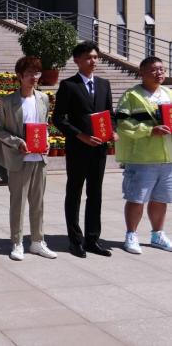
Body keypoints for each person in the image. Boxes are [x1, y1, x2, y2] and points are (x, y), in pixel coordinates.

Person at [53, 41, 115, 258]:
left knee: (95, 194)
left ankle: (92, 239)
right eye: (88, 57)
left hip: (99, 149)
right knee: (74, 193)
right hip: (78, 149)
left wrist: (112, 131)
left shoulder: (104, 84)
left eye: (95, 57)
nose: (93, 61)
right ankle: (75, 240)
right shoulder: (68, 85)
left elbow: (109, 114)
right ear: (77, 60)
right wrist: (80, 135)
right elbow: (59, 118)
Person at [0, 56, 56, 261]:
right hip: (19, 160)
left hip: (39, 159)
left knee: (38, 203)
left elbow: (44, 125)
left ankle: (37, 241)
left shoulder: (43, 98)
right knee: (18, 203)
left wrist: (47, 140)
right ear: (20, 76)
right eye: (29, 73)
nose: (34, 77)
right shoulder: (8, 101)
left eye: (36, 73)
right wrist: (17, 142)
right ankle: (17, 242)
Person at [116, 56, 172, 254]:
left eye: (162, 69)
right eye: (154, 69)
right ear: (142, 73)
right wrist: (149, 130)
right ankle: (131, 235)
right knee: (136, 199)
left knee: (161, 199)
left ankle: (157, 235)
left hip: (168, 158)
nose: (159, 73)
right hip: (141, 158)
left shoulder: (169, 94)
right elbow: (122, 123)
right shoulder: (132, 95)